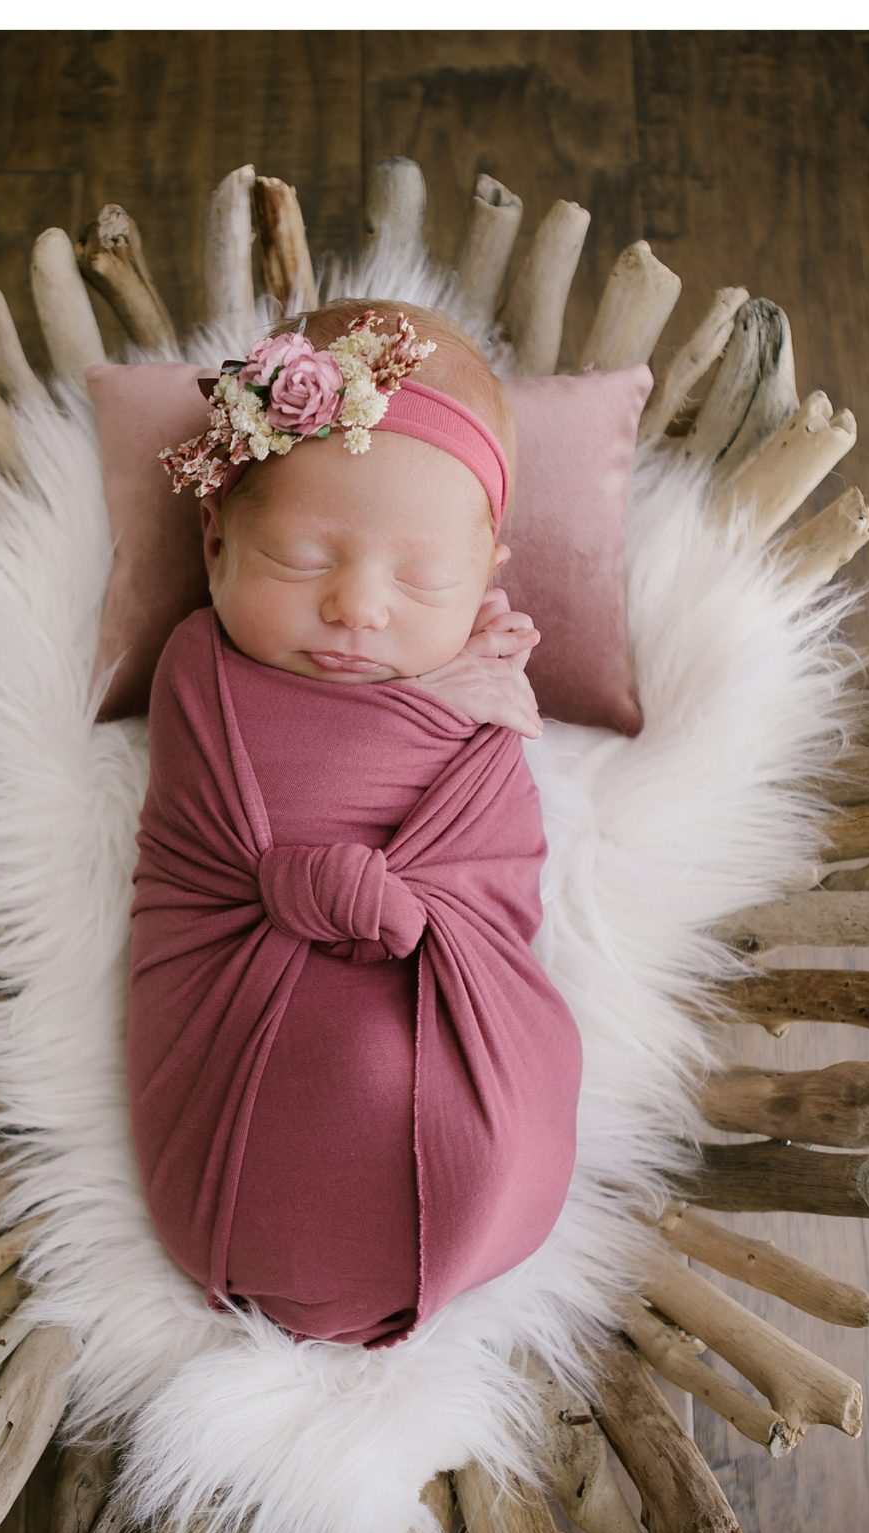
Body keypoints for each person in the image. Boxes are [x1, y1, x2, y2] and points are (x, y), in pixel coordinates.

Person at [127, 300, 584, 1350]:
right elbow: (252, 831)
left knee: (458, 1101)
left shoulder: (488, 700)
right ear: (216, 543)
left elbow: (494, 872)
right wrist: (432, 708)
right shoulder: (198, 673)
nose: (358, 607)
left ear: (485, 581)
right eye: (300, 558)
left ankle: (476, 1189)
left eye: (422, 579)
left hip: (481, 1140)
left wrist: (453, 717)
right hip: (231, 1144)